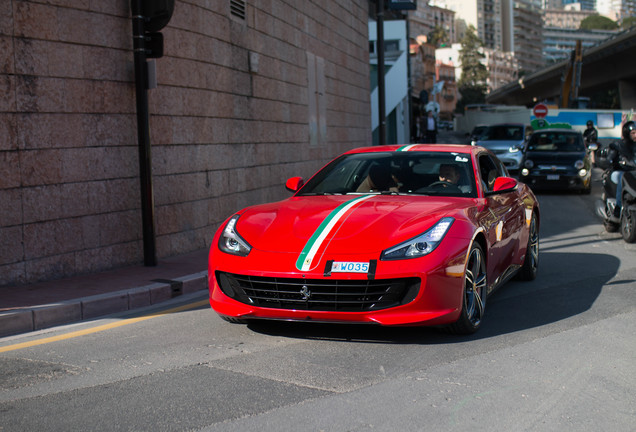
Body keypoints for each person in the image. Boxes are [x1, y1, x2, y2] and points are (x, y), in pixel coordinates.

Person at [607, 120, 636, 217]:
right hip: (621, 171)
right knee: (621, 177)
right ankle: (618, 207)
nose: (635, 135)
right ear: (627, 133)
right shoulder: (618, 145)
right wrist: (613, 162)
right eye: (633, 133)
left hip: (633, 171)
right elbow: (609, 159)